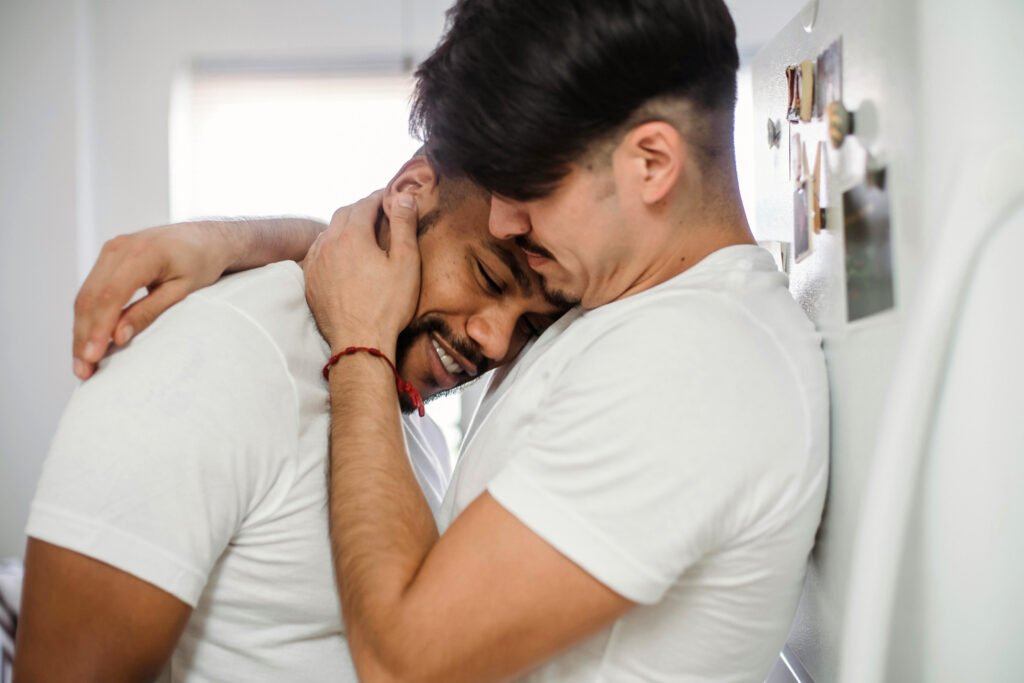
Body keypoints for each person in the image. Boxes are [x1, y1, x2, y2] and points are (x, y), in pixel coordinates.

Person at [66, 1, 829, 680]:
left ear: (652, 162)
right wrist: (236, 238)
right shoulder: (618, 296)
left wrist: (361, 346)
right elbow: (424, 248)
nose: (505, 220)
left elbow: (406, 662)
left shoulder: (696, 363)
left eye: (529, 189)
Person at [14, 155, 565, 683]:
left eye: (529, 328)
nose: (495, 343)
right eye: (490, 278)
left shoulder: (407, 423)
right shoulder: (210, 357)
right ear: (410, 194)